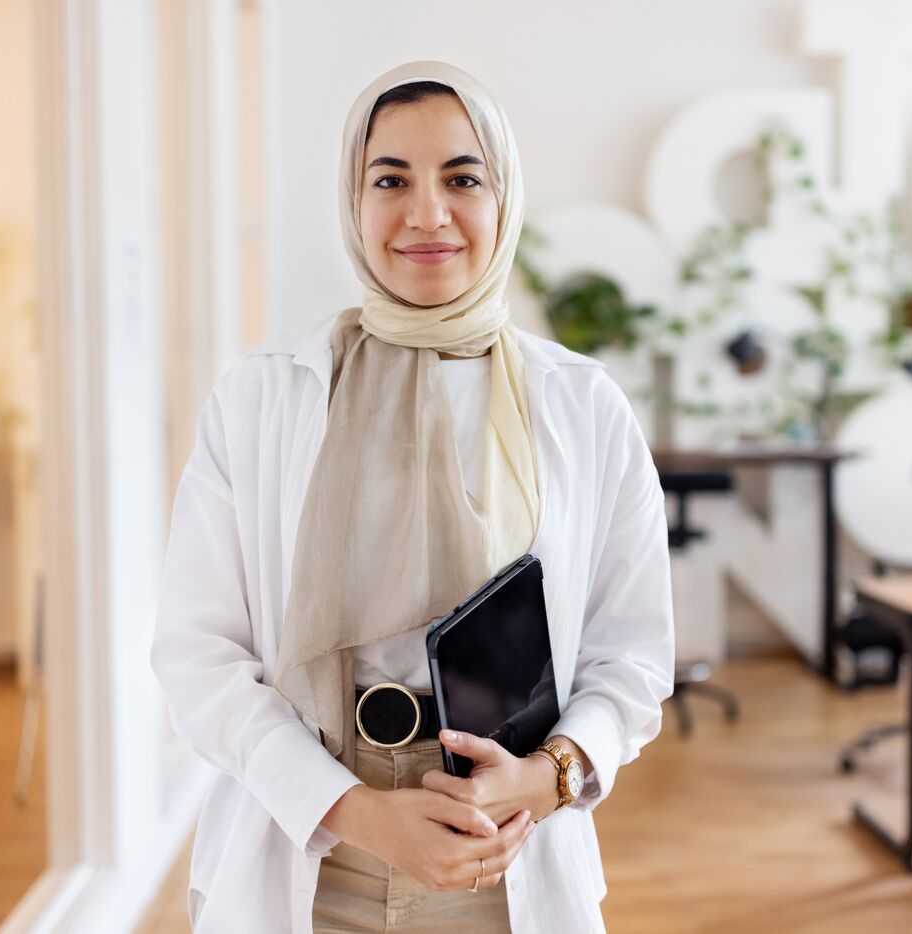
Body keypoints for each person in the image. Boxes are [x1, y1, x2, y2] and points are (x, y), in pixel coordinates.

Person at [151, 61, 673, 934]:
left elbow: (633, 659)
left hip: (505, 856)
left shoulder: (583, 406)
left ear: (502, 197)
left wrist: (546, 779)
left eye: (462, 179)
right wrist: (354, 811)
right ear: (352, 204)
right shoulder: (265, 395)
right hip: (309, 850)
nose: (427, 213)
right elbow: (197, 656)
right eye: (389, 179)